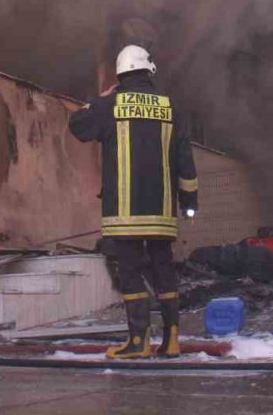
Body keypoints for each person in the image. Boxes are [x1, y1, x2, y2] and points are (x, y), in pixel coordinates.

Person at [69, 45, 198, 359]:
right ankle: (171, 341)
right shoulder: (171, 108)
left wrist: (102, 98)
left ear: (120, 74)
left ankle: (138, 343)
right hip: (161, 213)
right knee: (164, 270)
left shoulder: (110, 104)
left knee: (130, 272)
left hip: (124, 215)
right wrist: (189, 203)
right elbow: (186, 162)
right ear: (148, 71)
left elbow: (77, 124)